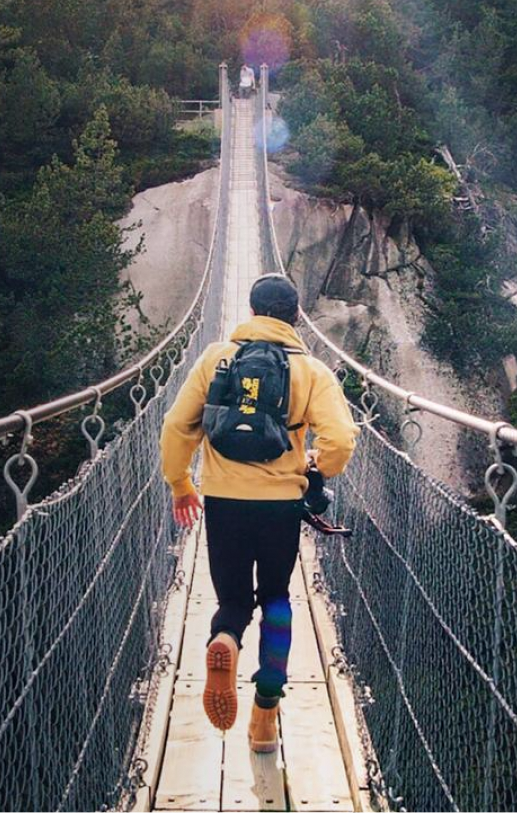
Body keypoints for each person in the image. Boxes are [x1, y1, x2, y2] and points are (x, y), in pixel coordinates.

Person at [159, 274, 357, 753]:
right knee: (275, 600)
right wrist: (314, 466)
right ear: (295, 316)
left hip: (224, 502)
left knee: (233, 600)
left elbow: (175, 426)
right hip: (279, 508)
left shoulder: (215, 359)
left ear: (250, 313)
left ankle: (225, 637)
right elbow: (341, 442)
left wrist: (181, 484)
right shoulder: (311, 371)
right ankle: (265, 715)